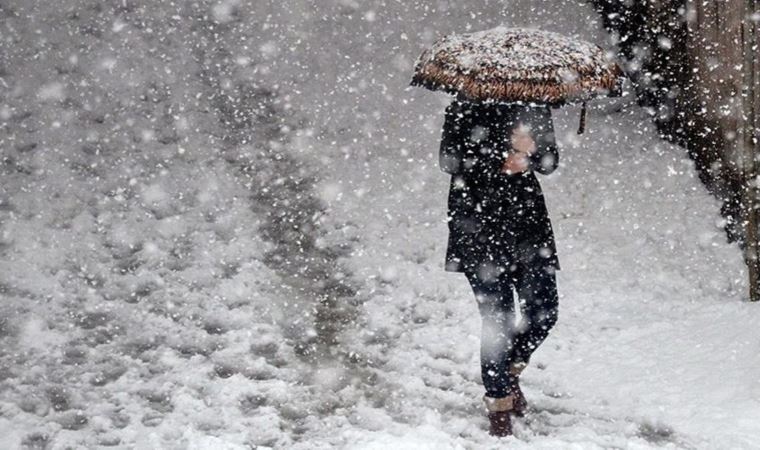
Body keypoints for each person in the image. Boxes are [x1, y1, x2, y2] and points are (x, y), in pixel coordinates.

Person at [439, 96, 560, 437]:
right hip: (478, 225)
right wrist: (502, 154)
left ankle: (507, 372)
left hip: (528, 227)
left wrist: (531, 152)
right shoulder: (464, 106)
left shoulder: (534, 105)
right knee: (498, 320)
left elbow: (550, 162)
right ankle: (499, 406)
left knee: (544, 310)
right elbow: (450, 160)